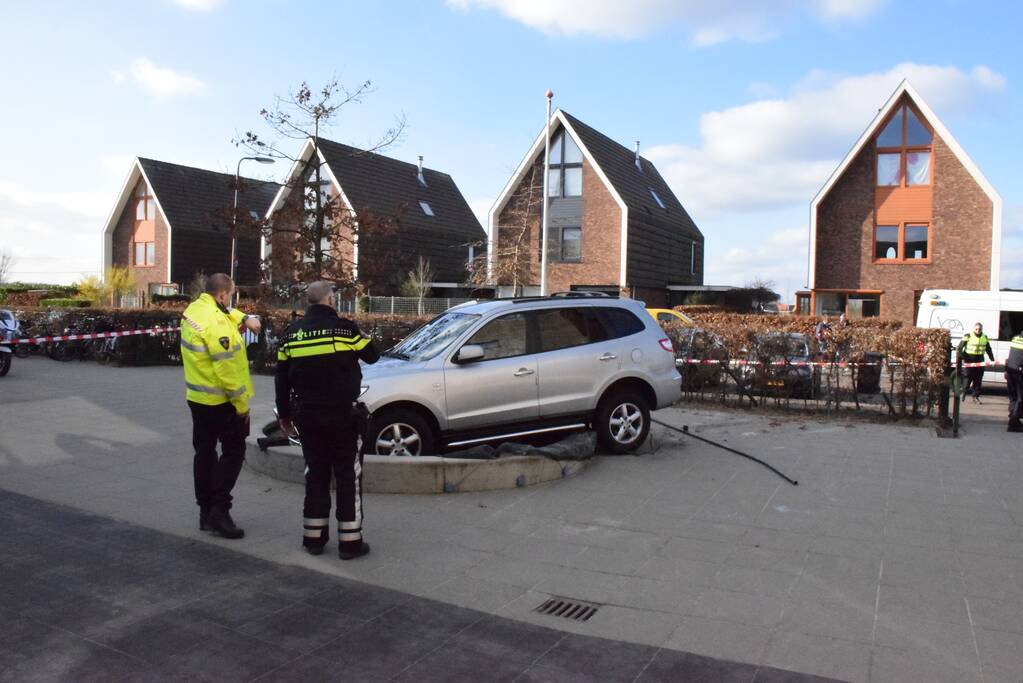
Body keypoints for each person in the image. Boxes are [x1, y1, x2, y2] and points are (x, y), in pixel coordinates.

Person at [275, 281, 380, 559]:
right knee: (348, 475)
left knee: (315, 474)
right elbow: (373, 356)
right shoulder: (345, 329)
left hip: (307, 415)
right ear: (330, 300)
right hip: (342, 415)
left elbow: (281, 378)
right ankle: (350, 543)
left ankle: (313, 539)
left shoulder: (291, 334)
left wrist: (283, 414)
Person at [180, 273, 260, 539]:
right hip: (222, 402)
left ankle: (205, 512)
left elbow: (224, 312)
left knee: (204, 454)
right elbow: (226, 368)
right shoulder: (216, 323)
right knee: (233, 453)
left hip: (198, 398)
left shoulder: (196, 309)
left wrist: (243, 317)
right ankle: (219, 511)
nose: (232, 299)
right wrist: (241, 406)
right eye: (232, 294)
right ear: (223, 294)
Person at [959, 322, 994, 404]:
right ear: (974, 329)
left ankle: (975, 397)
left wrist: (992, 360)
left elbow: (988, 349)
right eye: (976, 329)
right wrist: (961, 358)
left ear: (982, 329)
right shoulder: (968, 336)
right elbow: (960, 347)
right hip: (969, 359)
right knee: (967, 378)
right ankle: (964, 393)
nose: (978, 331)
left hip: (980, 359)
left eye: (979, 329)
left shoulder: (984, 337)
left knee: (978, 380)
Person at [1006, 331, 1023, 433]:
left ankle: (1013, 420)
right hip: (1019, 372)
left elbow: (1010, 356)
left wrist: (1005, 369)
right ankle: (1013, 423)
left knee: (1013, 397)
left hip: (1010, 370)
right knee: (1020, 398)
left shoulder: (1015, 338)